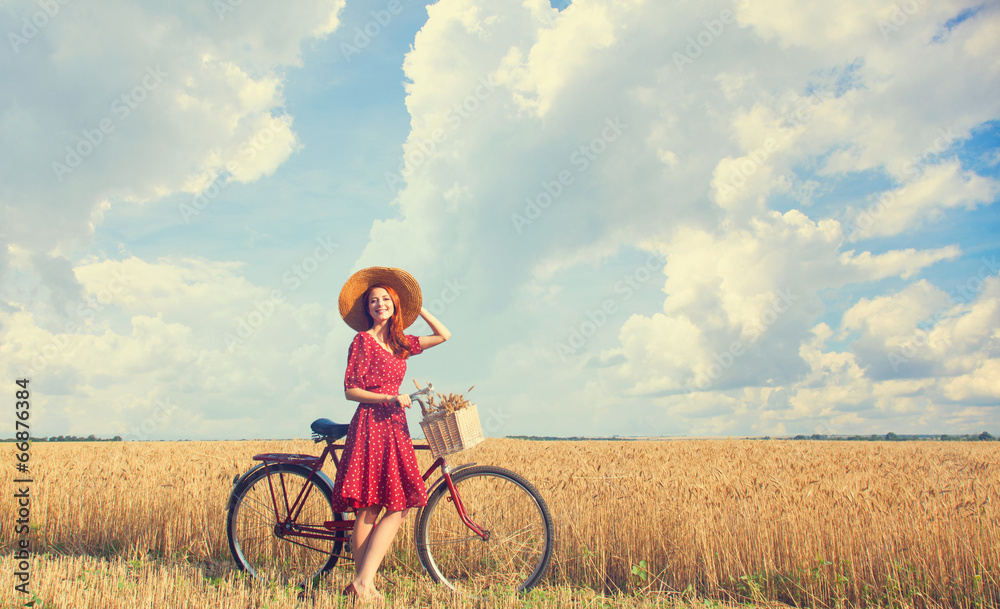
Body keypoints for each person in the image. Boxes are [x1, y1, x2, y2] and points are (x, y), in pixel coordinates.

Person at [332, 266, 451, 601]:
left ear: (394, 305)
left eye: (385, 300)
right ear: (366, 309)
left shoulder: (401, 343)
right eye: (373, 301)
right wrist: (388, 397)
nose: (379, 304)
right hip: (370, 424)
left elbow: (444, 335)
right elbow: (350, 391)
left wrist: (415, 308)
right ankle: (364, 585)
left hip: (396, 427)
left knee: (399, 505)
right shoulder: (362, 341)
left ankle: (362, 582)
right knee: (369, 508)